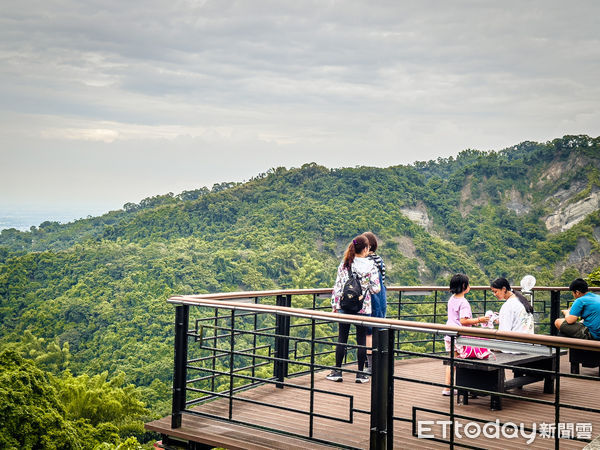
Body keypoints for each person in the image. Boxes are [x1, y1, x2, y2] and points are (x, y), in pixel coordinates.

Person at [327, 234, 381, 383]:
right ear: (365, 249)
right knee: (361, 341)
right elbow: (376, 289)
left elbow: (338, 286)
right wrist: (366, 286)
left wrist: (334, 305)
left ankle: (337, 371)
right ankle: (360, 374)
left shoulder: (345, 263)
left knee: (342, 339)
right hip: (363, 308)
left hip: (344, 306)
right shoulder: (371, 266)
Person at [443, 274, 489, 395]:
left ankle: (447, 388)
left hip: (449, 333)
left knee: (451, 361)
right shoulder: (463, 302)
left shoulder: (452, 299)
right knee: (463, 360)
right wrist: (479, 320)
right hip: (459, 336)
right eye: (468, 284)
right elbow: (463, 321)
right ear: (464, 286)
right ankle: (467, 386)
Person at [362, 231, 387, 374]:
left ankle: (370, 366)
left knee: (368, 332)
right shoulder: (379, 259)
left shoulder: (366, 262)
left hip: (371, 298)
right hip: (381, 296)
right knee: (378, 328)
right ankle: (378, 363)